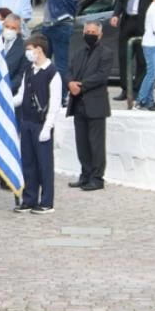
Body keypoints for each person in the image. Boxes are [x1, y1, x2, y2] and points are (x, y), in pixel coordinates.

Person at [12, 35, 62, 214]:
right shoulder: (29, 70)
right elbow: (21, 95)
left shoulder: (52, 72)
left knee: (44, 165)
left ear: (39, 49)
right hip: (27, 123)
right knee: (28, 163)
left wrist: (48, 126)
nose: (28, 53)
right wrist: (8, 103)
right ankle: (29, 198)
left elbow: (55, 102)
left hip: (41, 125)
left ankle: (47, 201)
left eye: (29, 49)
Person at [0, 13, 31, 188]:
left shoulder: (24, 48)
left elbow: (22, 74)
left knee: (8, 135)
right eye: (7, 27)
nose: (9, 30)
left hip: (9, 97)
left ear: (18, 30)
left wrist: (5, 89)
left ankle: (7, 177)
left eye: (13, 28)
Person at [66, 21, 113, 191]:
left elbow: (101, 76)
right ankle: (85, 175)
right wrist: (70, 83)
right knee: (82, 143)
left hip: (95, 104)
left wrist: (81, 86)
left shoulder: (106, 53)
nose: (90, 34)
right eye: (88, 31)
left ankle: (97, 178)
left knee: (96, 144)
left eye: (93, 32)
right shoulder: (78, 53)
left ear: (100, 34)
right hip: (78, 104)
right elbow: (69, 70)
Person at [40, 0, 79, 102]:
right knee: (43, 61)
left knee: (61, 63)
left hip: (61, 23)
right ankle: (43, 93)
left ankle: (61, 96)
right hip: (50, 24)